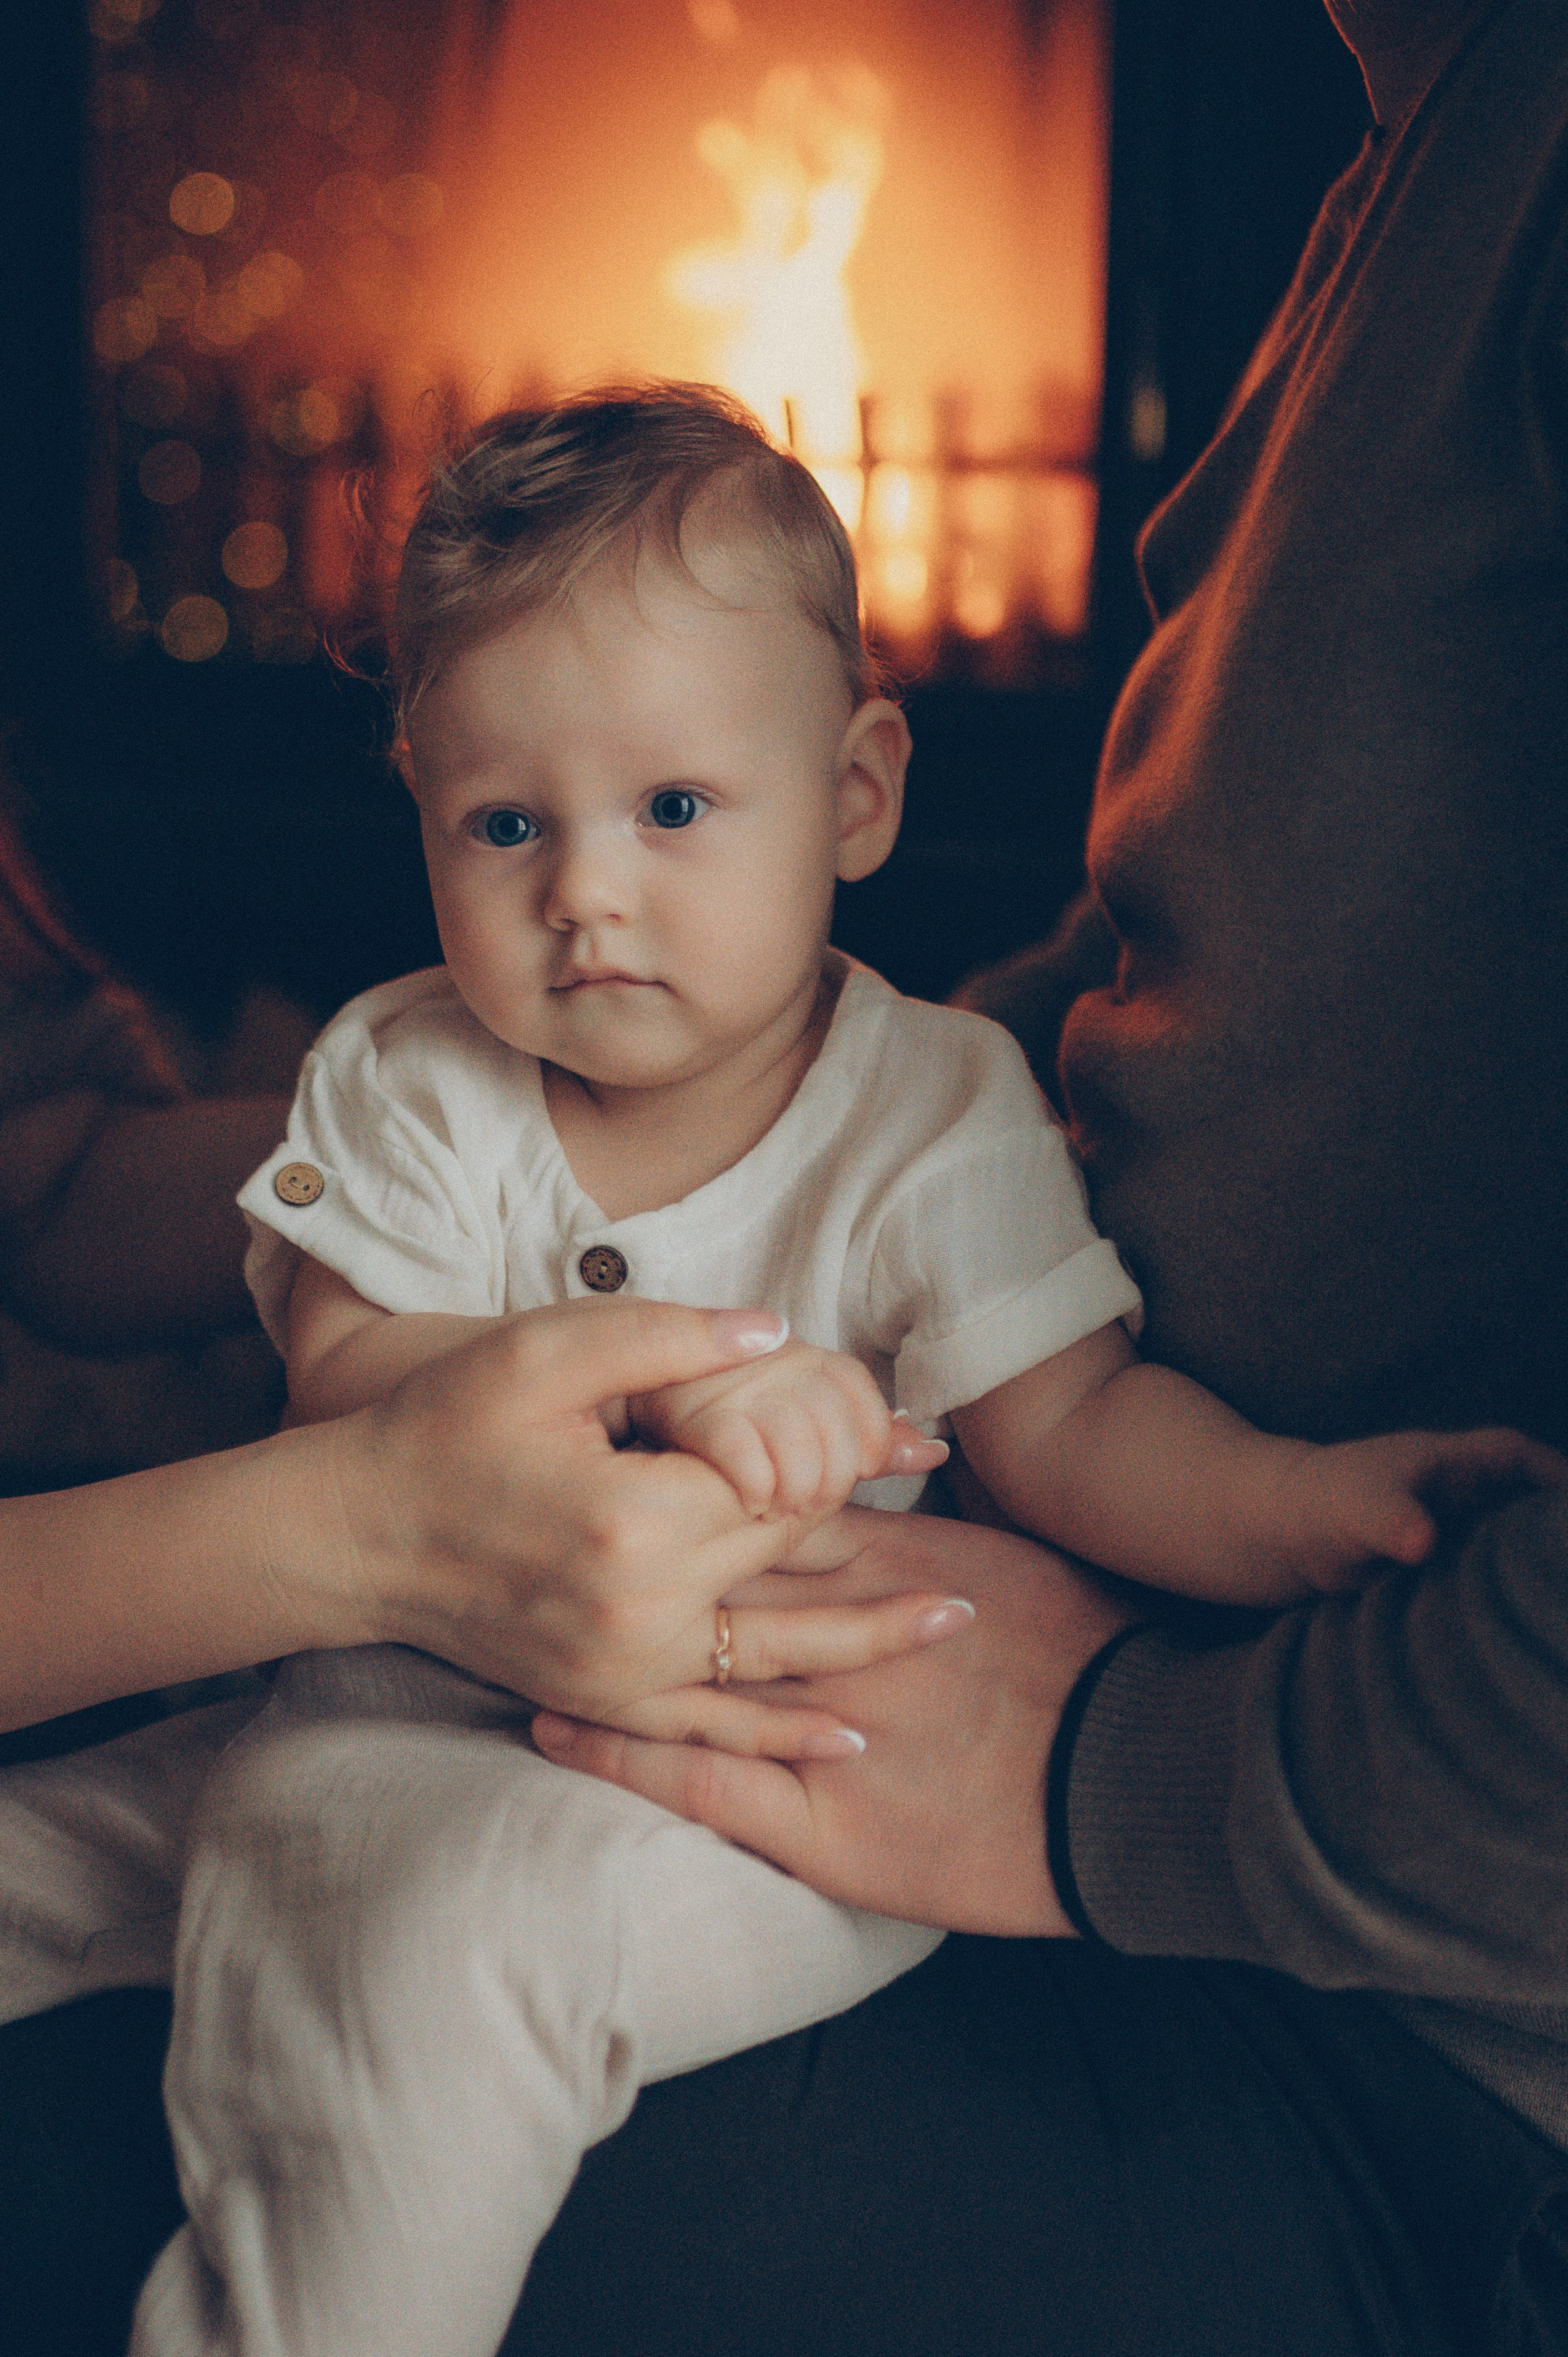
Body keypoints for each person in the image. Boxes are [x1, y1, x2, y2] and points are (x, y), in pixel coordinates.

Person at [89, 380, 1542, 2355]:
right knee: (80, 1831)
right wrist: (652, 1389)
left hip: (744, 1789)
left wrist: (1290, 1511)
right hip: (363, 1690)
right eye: (504, 824)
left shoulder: (932, 1109)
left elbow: (1077, 1421)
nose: (583, 894)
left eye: (674, 810)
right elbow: (343, 1380)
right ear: (421, 801)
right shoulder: (404, 1066)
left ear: (855, 793)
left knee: (440, 1959)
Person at [514, 2, 1568, 2351]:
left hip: (1429, 2055)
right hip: (1117, 1700)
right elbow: (1174, 964)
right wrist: (612, 1187)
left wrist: (1122, 1776)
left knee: (142, 2131)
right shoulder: (1452, 113)